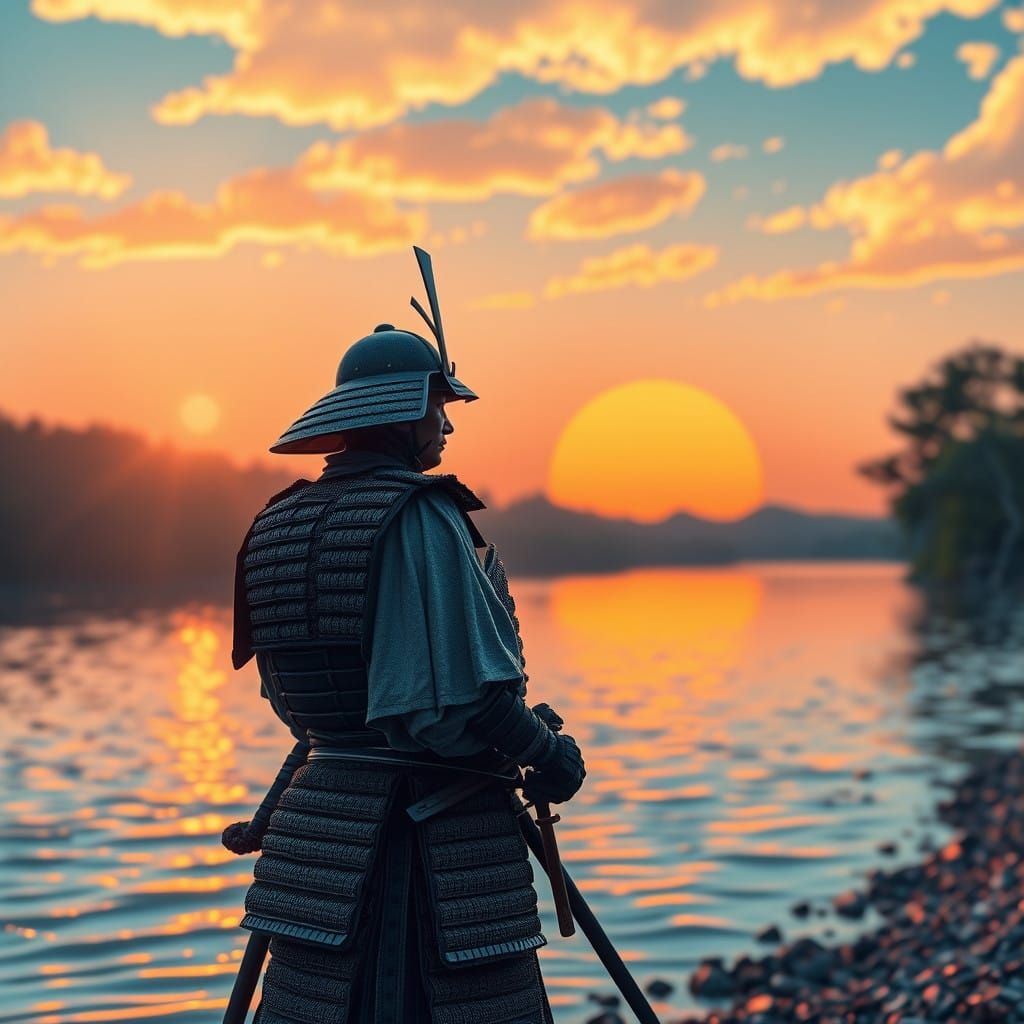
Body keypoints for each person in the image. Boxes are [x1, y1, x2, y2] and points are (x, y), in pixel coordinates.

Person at [223, 248, 586, 1023]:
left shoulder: (277, 521)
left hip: (319, 823)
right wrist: (549, 756)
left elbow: (298, 704)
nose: (447, 422)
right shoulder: (421, 515)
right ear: (397, 410)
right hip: (430, 837)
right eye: (435, 404)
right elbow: (474, 698)